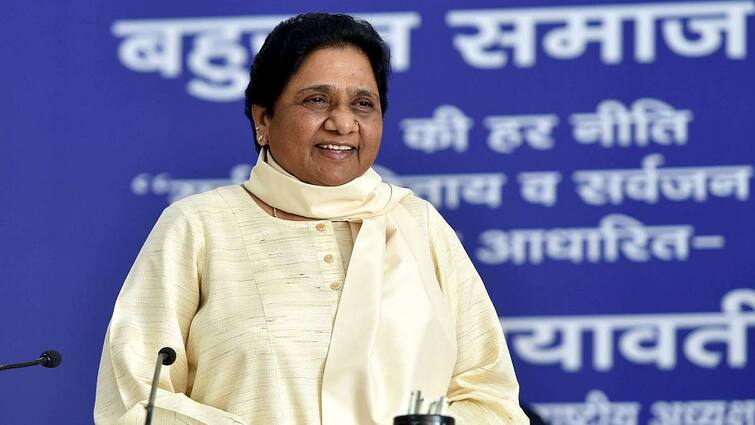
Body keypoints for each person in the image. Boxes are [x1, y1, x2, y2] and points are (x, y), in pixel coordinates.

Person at [94, 12, 528, 425]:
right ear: (263, 118)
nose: (343, 123)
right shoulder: (200, 225)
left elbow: (491, 400)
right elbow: (135, 401)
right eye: (317, 100)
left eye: (363, 104)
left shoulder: (418, 224)